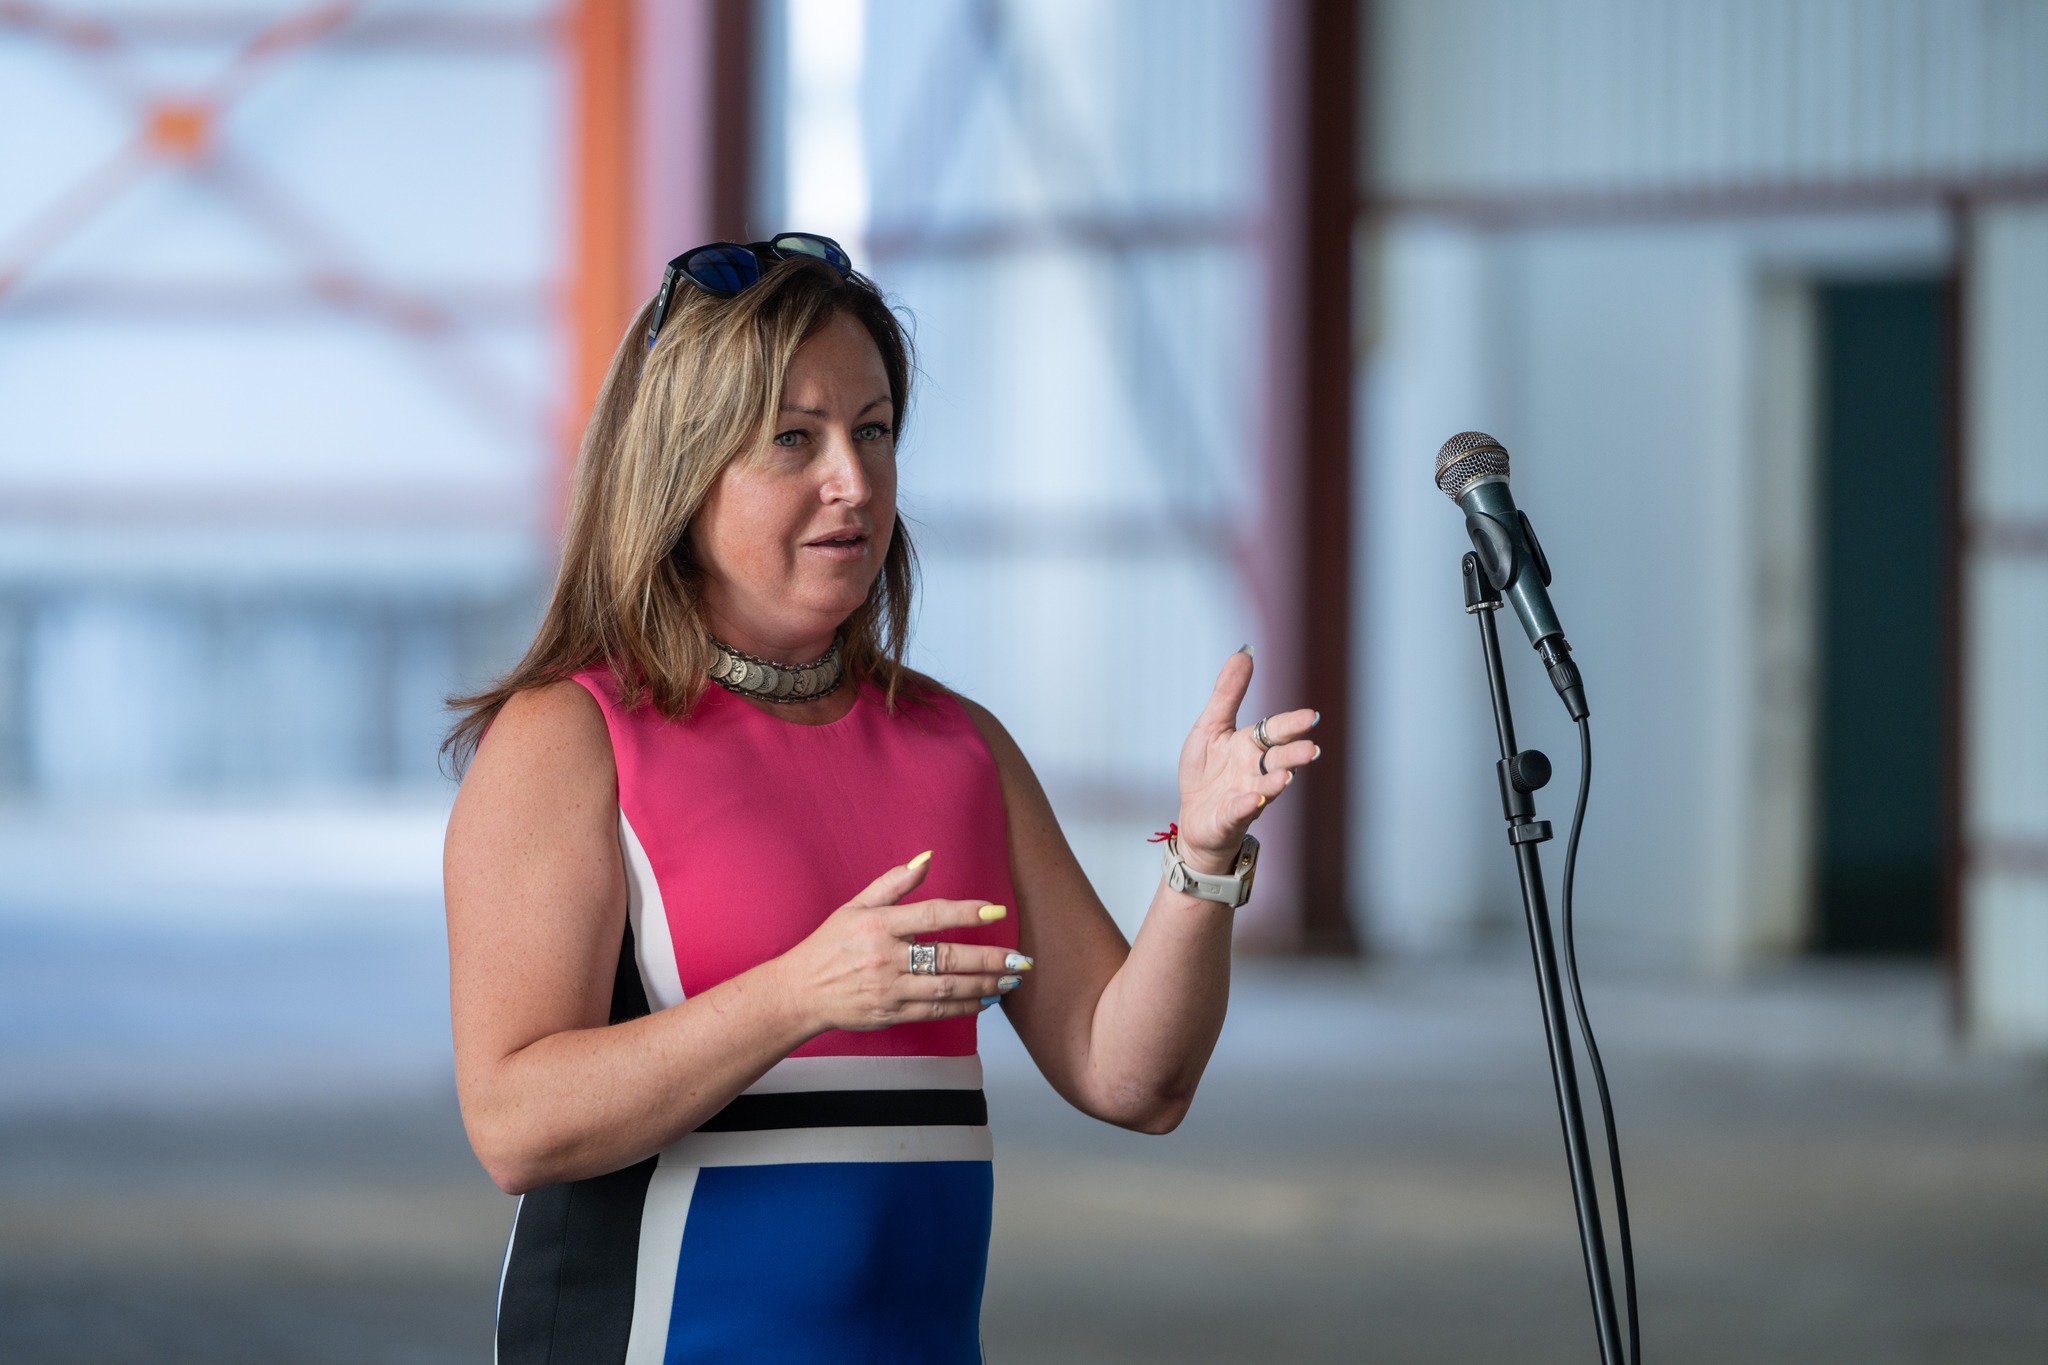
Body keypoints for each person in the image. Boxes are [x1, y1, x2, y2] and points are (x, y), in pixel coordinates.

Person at [442, 233, 1320, 1365]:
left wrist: (1201, 860)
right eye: (793, 438)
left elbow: (1133, 1078)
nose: (852, 481)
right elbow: (514, 1126)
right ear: (680, 470)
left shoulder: (957, 746)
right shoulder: (570, 740)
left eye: (873, 430)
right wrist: (798, 992)